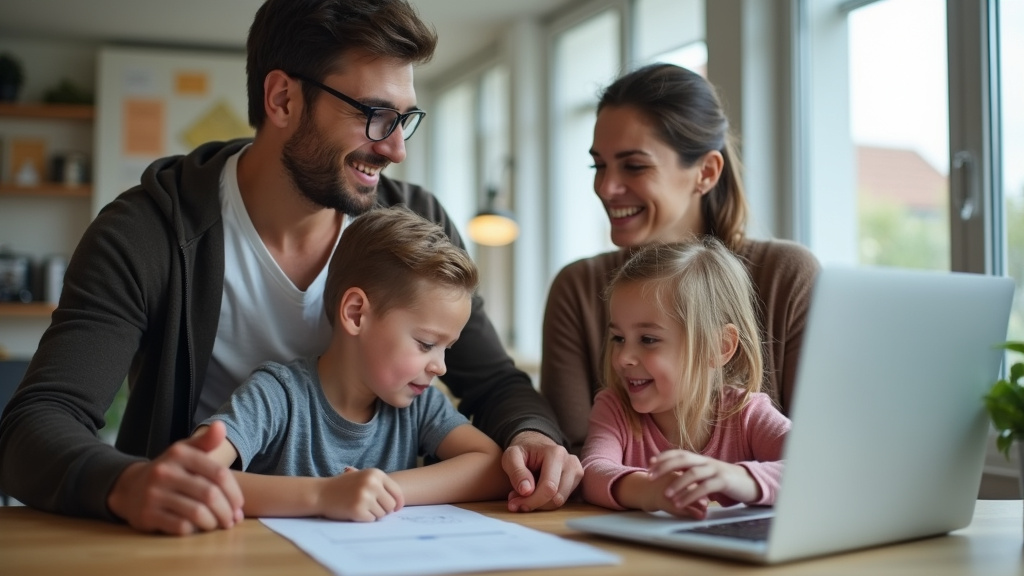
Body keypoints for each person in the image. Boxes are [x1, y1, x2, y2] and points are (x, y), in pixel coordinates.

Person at [0, 0, 580, 535]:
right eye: (376, 114)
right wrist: (127, 483)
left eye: (406, 118)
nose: (396, 147)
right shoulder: (149, 230)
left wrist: (531, 438)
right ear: (282, 99)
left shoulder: (413, 223)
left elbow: (495, 383)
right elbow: (35, 426)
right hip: (201, 539)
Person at [541, 63, 819, 455]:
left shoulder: (786, 276)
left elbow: (818, 452)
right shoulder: (578, 288)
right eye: (598, 165)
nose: (606, 187)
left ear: (706, 172)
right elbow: (569, 451)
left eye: (634, 166)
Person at [192, 207, 508, 521]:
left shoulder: (419, 406)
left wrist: (385, 489)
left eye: (446, 349)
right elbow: (192, 475)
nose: (440, 367)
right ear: (356, 313)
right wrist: (325, 495)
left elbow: (494, 466)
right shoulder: (277, 395)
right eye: (426, 344)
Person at [581, 239, 790, 516]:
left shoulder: (749, 414)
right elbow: (593, 472)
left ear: (719, 347)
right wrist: (652, 491)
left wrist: (737, 477)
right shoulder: (614, 409)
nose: (622, 358)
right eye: (618, 338)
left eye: (648, 339)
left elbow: (814, 466)